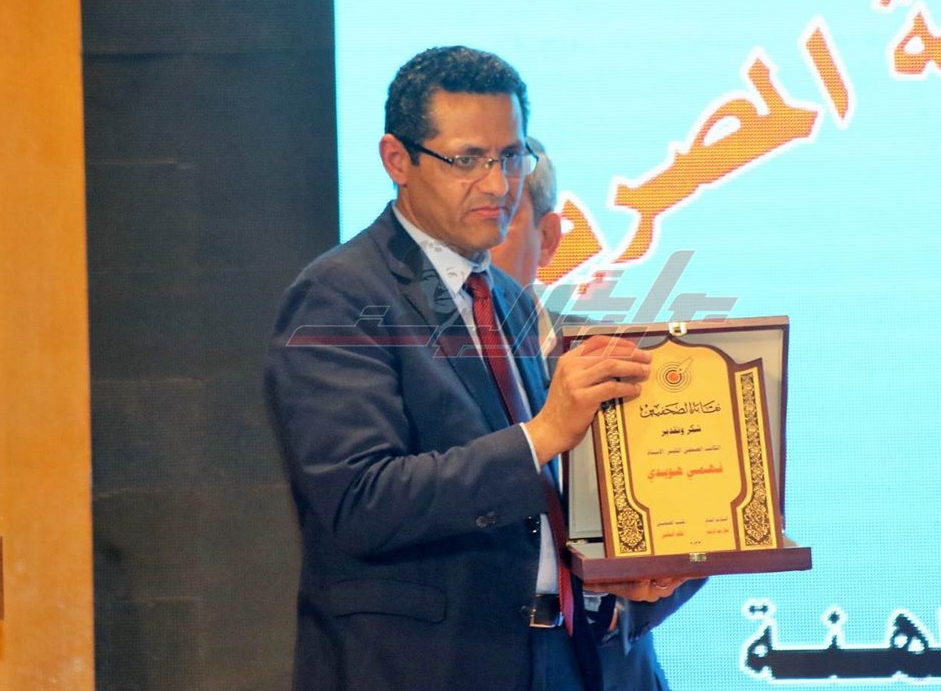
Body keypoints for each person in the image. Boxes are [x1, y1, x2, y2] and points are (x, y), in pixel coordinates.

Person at [266, 46, 673, 691]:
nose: (497, 184)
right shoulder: (340, 295)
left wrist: (626, 561)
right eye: (467, 160)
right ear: (397, 160)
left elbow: (539, 508)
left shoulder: (508, 300)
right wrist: (542, 434)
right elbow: (360, 501)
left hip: (558, 657)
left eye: (510, 157)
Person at [491, 146, 705, 691]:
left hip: (611, 670)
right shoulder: (417, 367)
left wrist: (634, 597)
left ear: (549, 238)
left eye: (499, 218)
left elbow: (698, 510)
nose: (475, 246)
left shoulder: (623, 357)